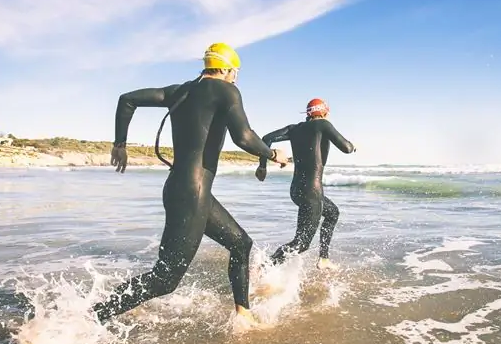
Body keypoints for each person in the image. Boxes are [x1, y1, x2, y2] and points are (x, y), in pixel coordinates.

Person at [91, 42, 289, 326]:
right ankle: (93, 317)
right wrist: (273, 154)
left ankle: (243, 315)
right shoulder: (227, 91)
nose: (235, 77)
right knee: (165, 279)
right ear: (224, 68)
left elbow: (127, 99)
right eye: (234, 71)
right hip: (192, 193)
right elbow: (243, 137)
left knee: (241, 243)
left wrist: (119, 144)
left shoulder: (179, 91)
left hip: (185, 189)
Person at [254, 98, 356, 271]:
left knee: (332, 213)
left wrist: (262, 166)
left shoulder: (295, 129)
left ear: (308, 114)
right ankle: (264, 267)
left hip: (296, 190)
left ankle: (324, 259)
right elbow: (345, 147)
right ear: (325, 112)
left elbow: (266, 138)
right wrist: (353, 146)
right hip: (312, 192)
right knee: (301, 244)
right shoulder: (323, 124)